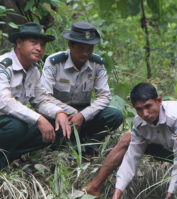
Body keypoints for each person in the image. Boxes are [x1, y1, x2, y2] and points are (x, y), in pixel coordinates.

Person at [0, 22, 71, 168]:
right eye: (33, 42)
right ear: (19, 42)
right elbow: (4, 102)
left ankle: (9, 156)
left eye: (42, 45)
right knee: (16, 127)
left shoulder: (33, 70)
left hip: (14, 126)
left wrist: (59, 112)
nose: (39, 48)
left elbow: (40, 100)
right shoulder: (4, 65)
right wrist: (38, 118)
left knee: (57, 126)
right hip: (6, 124)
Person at [40, 21, 123, 143]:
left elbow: (105, 96)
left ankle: (86, 144)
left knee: (115, 115)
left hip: (85, 113)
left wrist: (83, 115)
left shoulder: (97, 64)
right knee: (45, 126)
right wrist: (71, 113)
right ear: (70, 45)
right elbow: (44, 96)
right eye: (81, 48)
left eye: (89, 49)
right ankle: (64, 142)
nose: (85, 53)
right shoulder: (54, 62)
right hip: (59, 112)